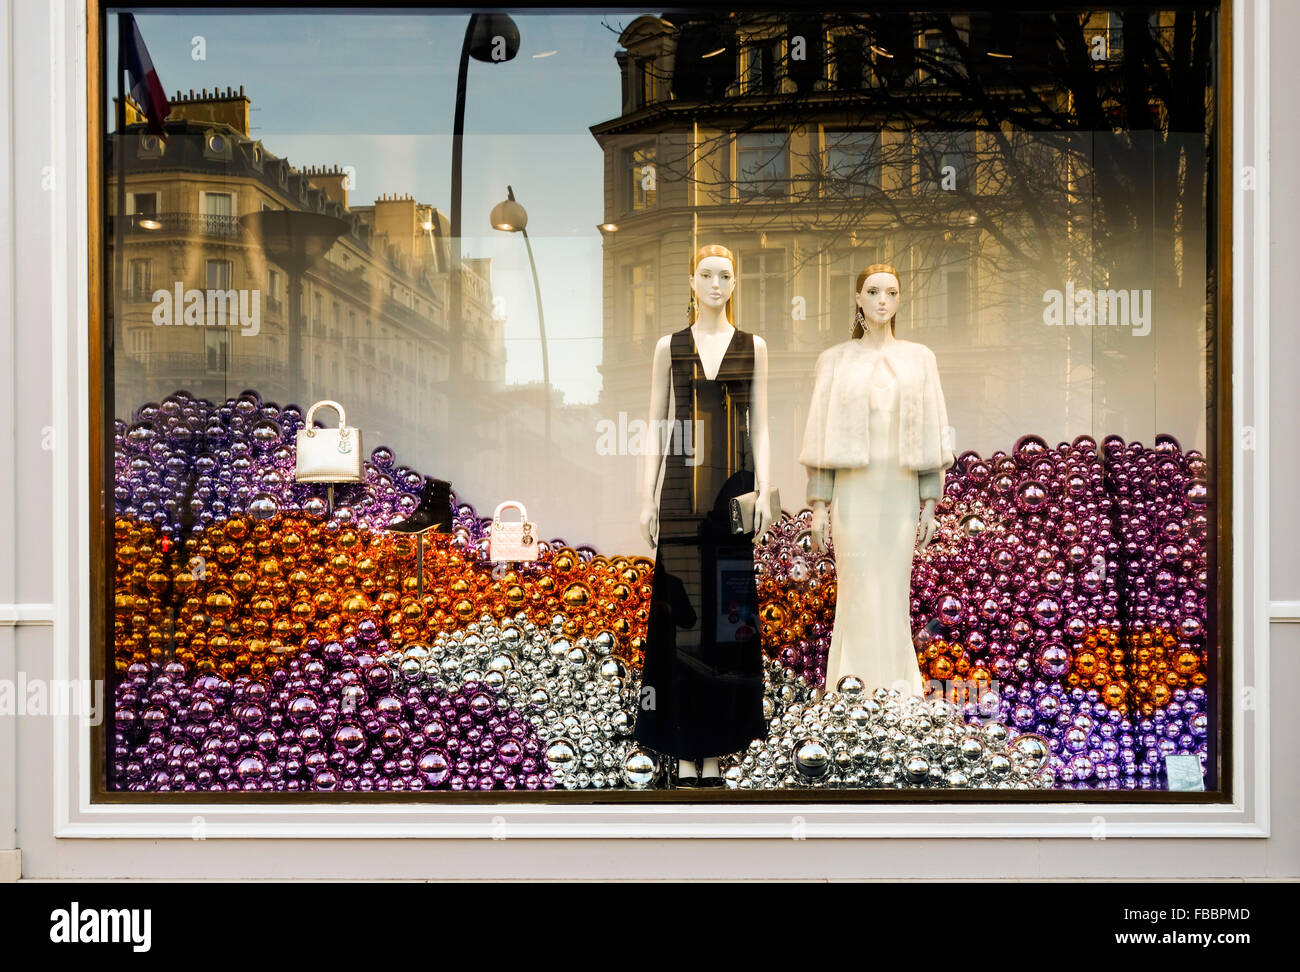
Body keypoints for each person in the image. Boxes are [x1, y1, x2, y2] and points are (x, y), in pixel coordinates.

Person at [633, 243, 775, 787]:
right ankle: (685, 751)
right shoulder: (668, 347)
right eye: (707, 275)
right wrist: (646, 496)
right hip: (679, 493)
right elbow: (655, 422)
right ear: (692, 283)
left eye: (726, 275)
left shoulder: (754, 347)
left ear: (735, 284)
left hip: (733, 493)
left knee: (728, 621)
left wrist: (763, 489)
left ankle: (715, 752)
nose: (717, 284)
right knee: (678, 620)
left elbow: (761, 421)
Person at [799, 263, 954, 696]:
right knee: (858, 592)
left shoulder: (920, 359)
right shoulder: (834, 361)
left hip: (900, 492)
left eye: (890, 292)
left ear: (900, 300)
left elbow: (932, 431)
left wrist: (930, 503)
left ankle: (898, 696)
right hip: (853, 494)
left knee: (893, 596)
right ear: (858, 298)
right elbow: (819, 435)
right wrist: (819, 506)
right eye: (872, 291)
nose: (882, 300)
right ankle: (852, 694)